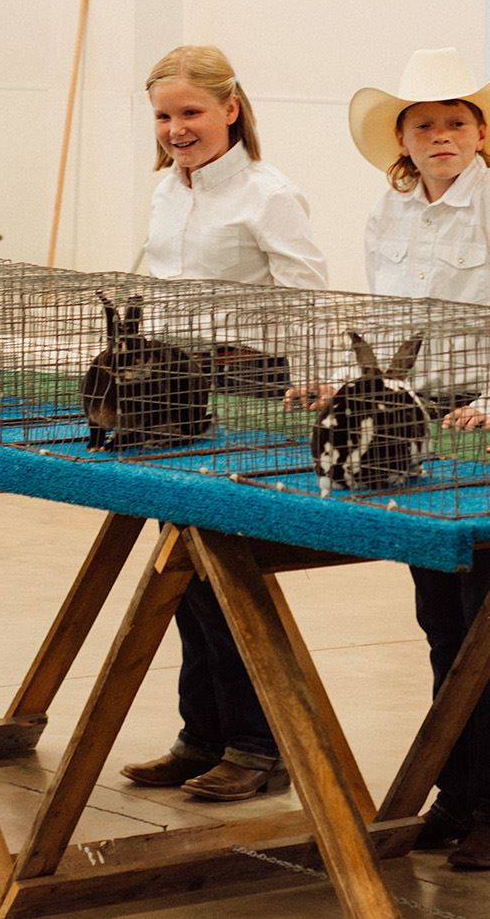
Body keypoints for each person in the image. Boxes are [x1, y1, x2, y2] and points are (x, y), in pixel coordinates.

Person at [344, 46, 490, 869]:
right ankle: (456, 794)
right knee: (439, 617)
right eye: (425, 122)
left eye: (457, 121)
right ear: (402, 136)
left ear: (480, 133)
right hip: (415, 421)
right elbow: (381, 318)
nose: (442, 134)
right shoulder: (384, 213)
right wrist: (364, 388)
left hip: (488, 420)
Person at [118, 43, 328, 802]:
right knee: (184, 573)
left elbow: (307, 292)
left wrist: (314, 374)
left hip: (245, 384)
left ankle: (257, 745)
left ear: (231, 108)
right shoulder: (164, 191)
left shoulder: (271, 192)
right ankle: (200, 735)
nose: (177, 128)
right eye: (165, 115)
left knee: (226, 570)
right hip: (171, 388)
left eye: (191, 112)